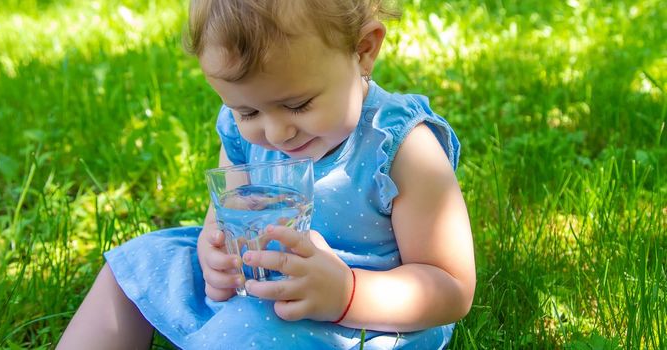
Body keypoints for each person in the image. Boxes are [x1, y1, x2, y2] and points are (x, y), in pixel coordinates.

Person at [58, 0, 476, 348]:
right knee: (137, 264)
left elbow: (451, 287)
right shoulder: (243, 132)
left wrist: (346, 294)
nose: (276, 132)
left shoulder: (401, 145)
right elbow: (222, 222)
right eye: (248, 111)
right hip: (260, 289)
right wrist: (215, 256)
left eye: (298, 105)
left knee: (251, 335)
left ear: (363, 49)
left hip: (364, 315)